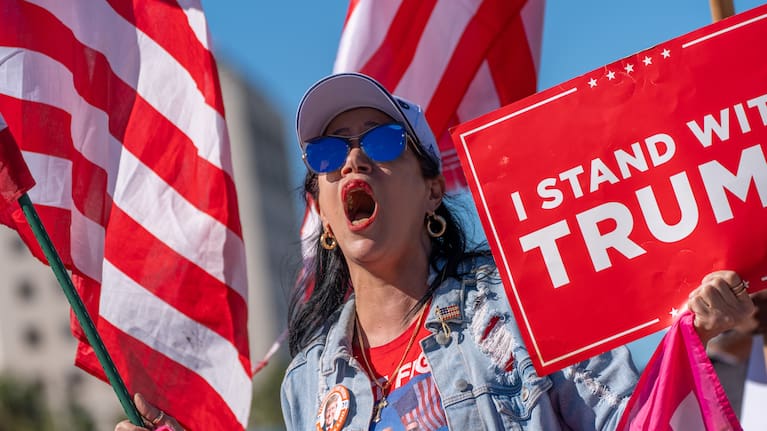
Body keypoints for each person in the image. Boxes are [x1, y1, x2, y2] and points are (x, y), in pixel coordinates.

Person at [115, 72, 756, 431]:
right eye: (328, 155)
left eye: (384, 141)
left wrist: (698, 341)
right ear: (326, 218)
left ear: (431, 191)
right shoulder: (307, 384)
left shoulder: (525, 309)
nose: (354, 159)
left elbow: (637, 420)